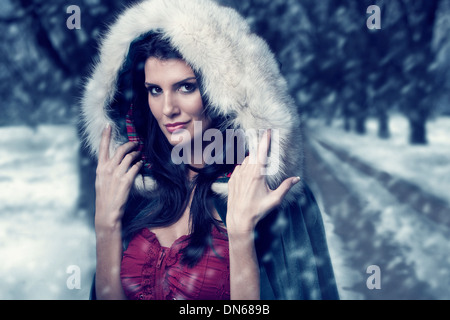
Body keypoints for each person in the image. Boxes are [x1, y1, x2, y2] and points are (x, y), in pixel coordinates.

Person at [81, 0, 339, 300]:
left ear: (224, 95)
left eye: (186, 87)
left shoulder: (271, 195)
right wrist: (106, 226)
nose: (167, 109)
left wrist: (241, 238)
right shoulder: (137, 192)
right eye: (155, 90)